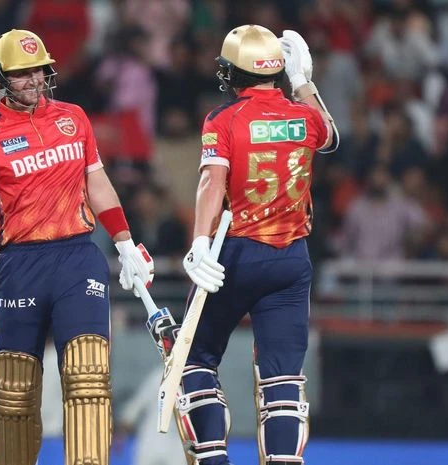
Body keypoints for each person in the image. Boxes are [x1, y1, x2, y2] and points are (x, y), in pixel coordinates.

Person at [0, 29, 154, 465]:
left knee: (88, 375)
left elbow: (97, 183)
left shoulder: (75, 119)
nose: (32, 80)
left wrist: (125, 243)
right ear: (0, 79)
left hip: (77, 259)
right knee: (15, 390)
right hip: (20, 266)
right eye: (21, 73)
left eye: (38, 71)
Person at [173, 26, 337, 465]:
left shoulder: (223, 119)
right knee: (283, 382)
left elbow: (212, 182)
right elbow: (330, 136)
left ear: (233, 73)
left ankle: (213, 458)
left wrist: (200, 240)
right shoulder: (305, 116)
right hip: (291, 258)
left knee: (193, 360)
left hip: (236, 253)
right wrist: (302, 81)